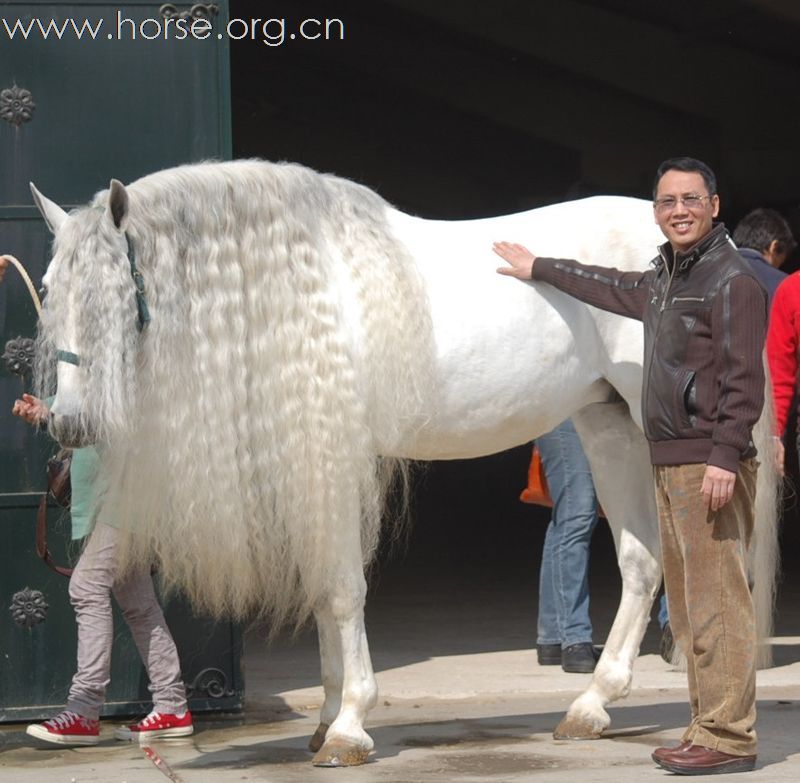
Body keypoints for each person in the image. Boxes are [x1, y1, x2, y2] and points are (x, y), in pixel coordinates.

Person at [493, 157, 766, 776]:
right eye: (668, 202)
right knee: (694, 604)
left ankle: (730, 738)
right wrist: (542, 267)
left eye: (691, 199)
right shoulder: (669, 276)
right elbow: (612, 288)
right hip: (671, 462)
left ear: (714, 205)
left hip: (706, 463)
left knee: (718, 601)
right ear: (655, 212)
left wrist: (725, 457)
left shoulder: (731, 280)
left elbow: (745, 379)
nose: (679, 210)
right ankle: (707, 727)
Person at [10, 389, 193, 746]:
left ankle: (83, 711)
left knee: (86, 586)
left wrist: (49, 418)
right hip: (121, 497)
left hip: (125, 499)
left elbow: (100, 424)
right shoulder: (100, 364)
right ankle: (172, 706)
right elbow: (83, 414)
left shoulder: (118, 363)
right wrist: (46, 411)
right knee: (140, 606)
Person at [535, 419, 600, 673]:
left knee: (568, 518)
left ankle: (553, 637)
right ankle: (574, 638)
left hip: (572, 410)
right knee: (577, 515)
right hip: (567, 412)